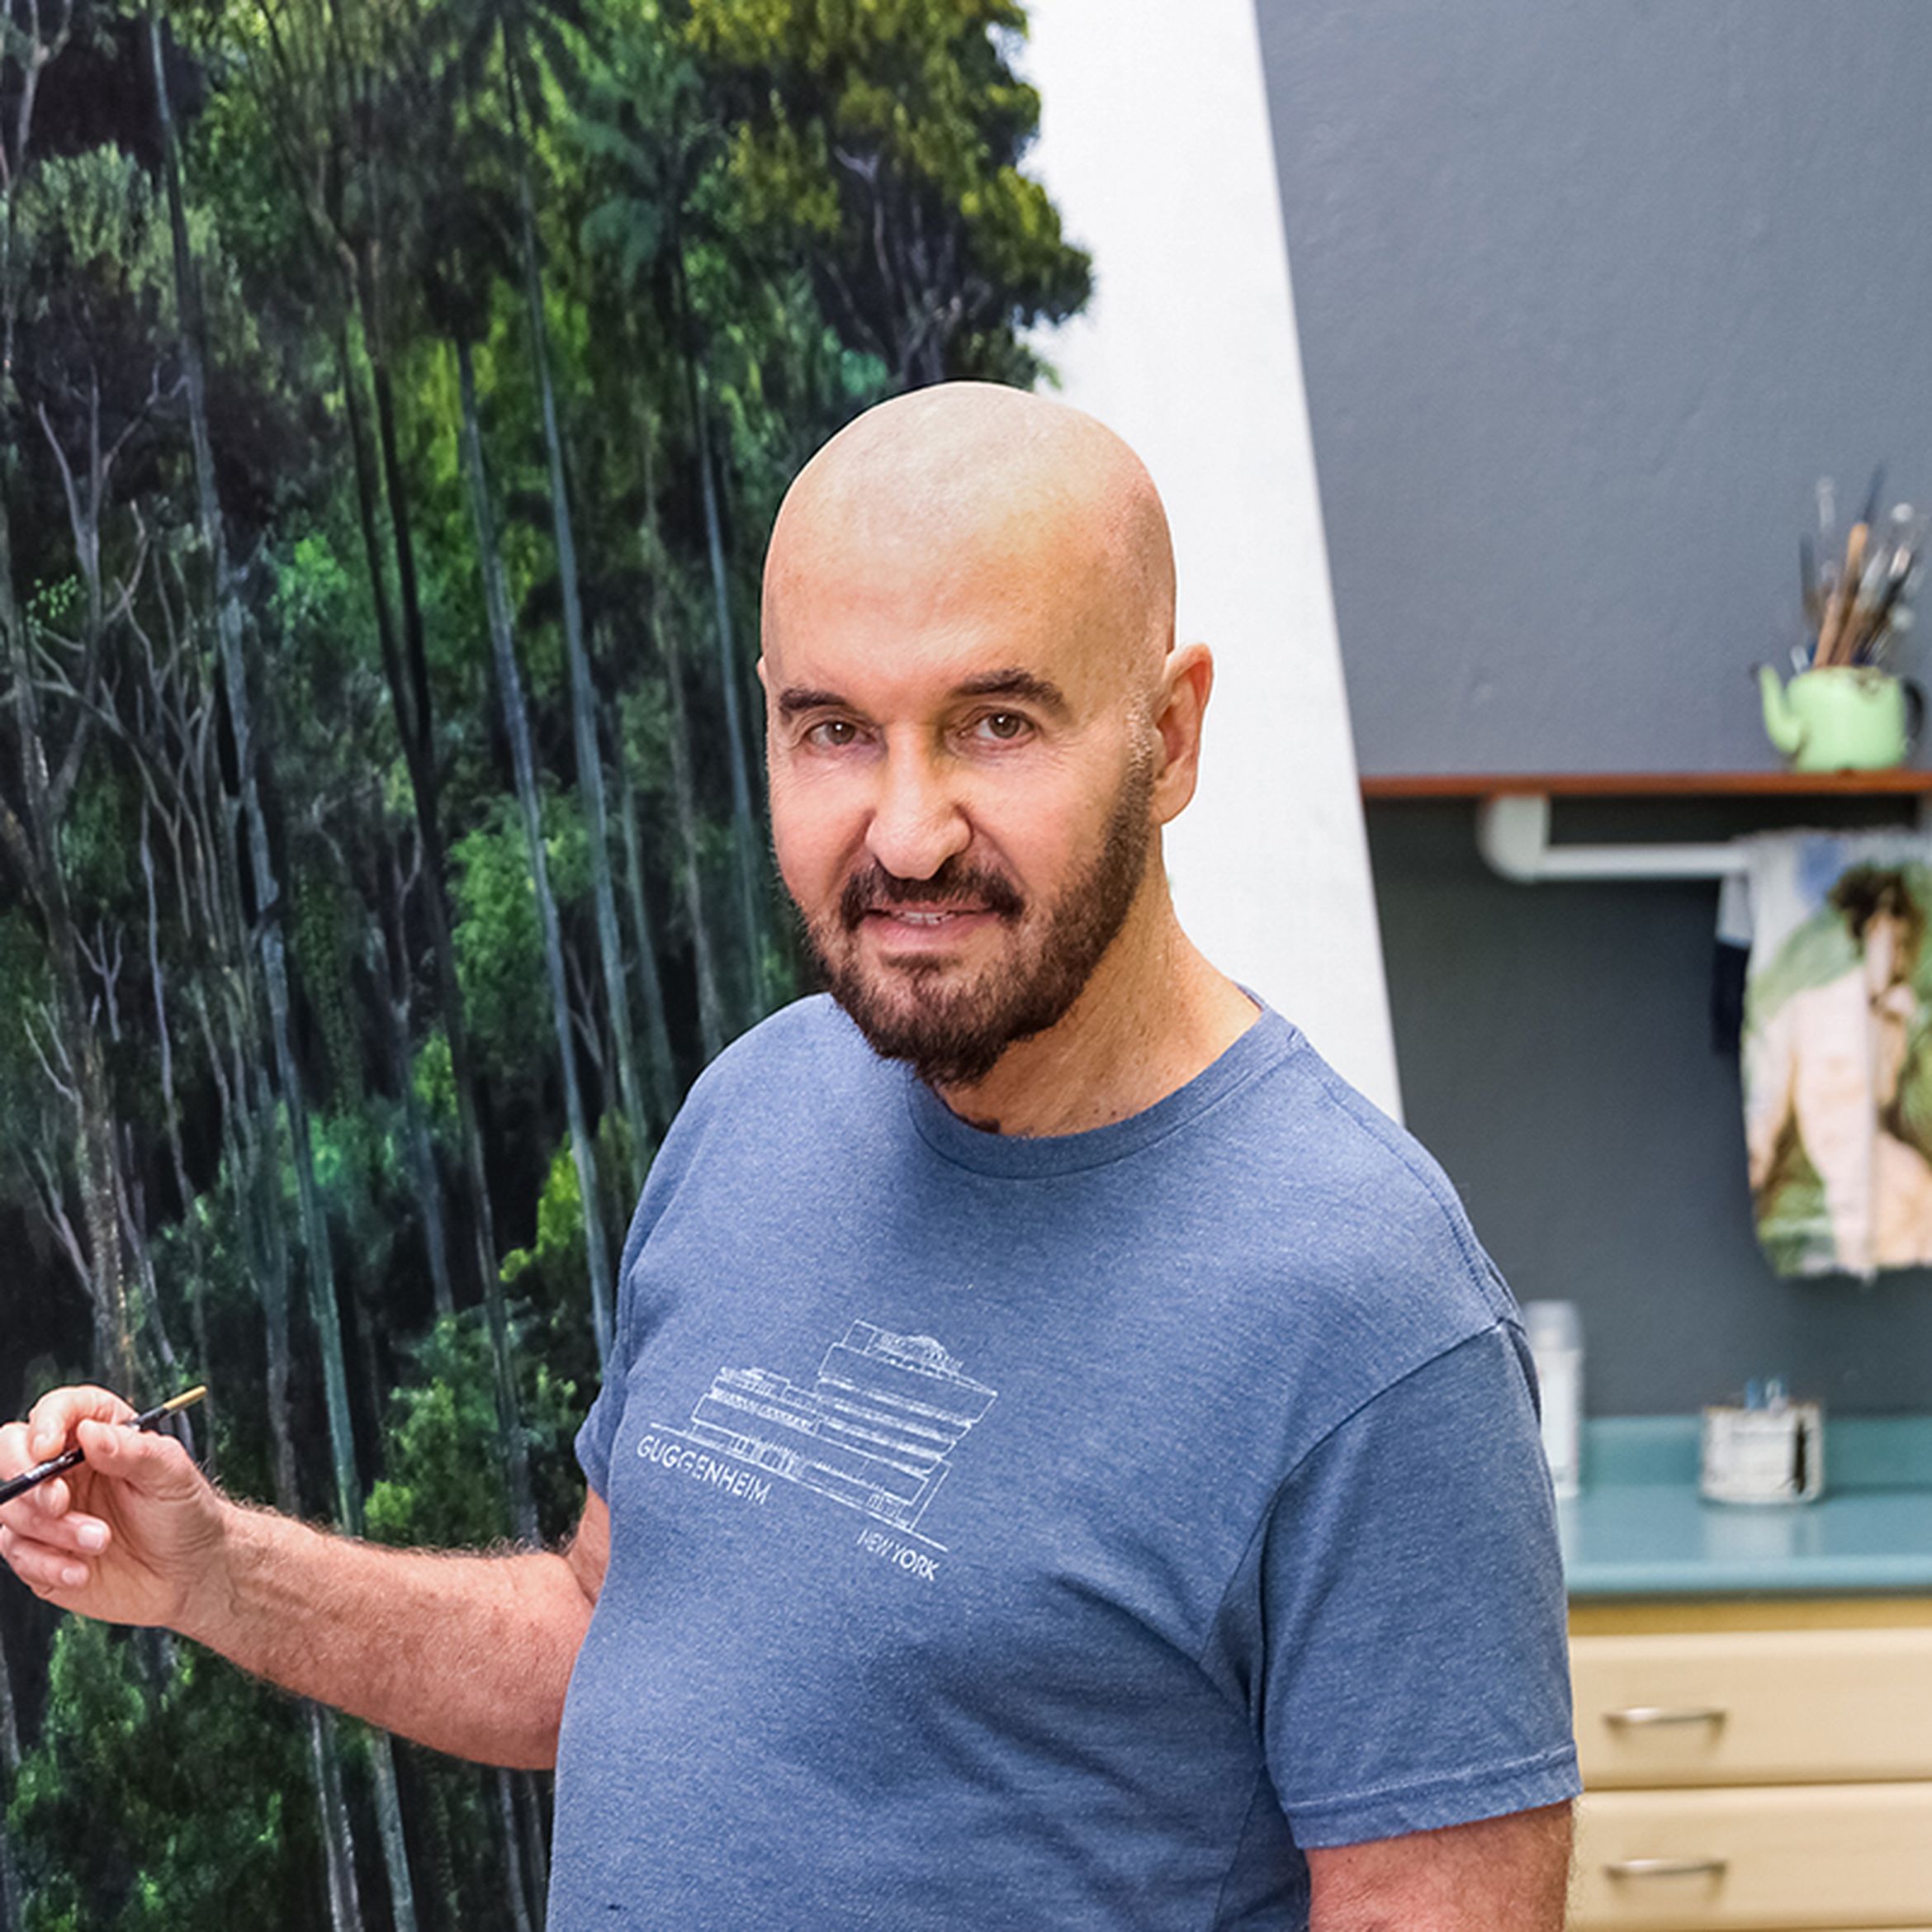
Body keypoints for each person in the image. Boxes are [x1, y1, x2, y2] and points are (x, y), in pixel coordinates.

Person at [2, 384, 1579, 1930]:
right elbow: (594, 1634)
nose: (905, 832)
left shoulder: (1372, 1318)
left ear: (1168, 738)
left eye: (997, 722)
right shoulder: (759, 1107)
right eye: (835, 730)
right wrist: (215, 1573)